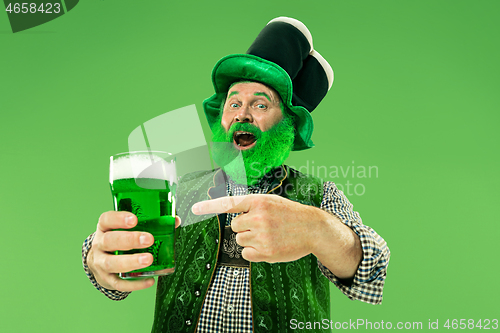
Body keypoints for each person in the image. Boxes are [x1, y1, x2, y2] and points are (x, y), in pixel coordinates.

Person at [82, 17, 390, 333]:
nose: (242, 114)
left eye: (260, 104)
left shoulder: (318, 195)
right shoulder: (179, 186)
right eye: (234, 103)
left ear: (286, 126)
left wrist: (319, 228)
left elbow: (374, 269)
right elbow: (126, 264)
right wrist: (100, 257)